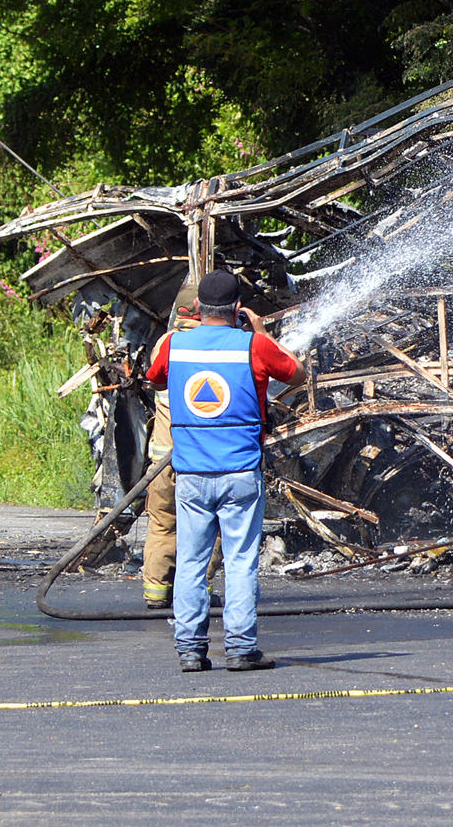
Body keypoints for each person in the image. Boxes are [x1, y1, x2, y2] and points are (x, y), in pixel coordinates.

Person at [145, 270, 305, 672]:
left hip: (192, 474)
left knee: (192, 562)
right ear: (238, 308)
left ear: (197, 308)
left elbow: (155, 377)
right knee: (239, 562)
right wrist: (262, 332)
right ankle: (239, 647)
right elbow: (298, 375)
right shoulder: (254, 346)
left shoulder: (175, 346)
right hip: (240, 472)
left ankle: (190, 650)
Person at [142, 279, 221, 607]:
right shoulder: (217, 343)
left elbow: (154, 378)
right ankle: (198, 591)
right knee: (209, 523)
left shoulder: (165, 343)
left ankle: (156, 593)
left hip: (163, 456)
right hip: (201, 456)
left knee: (162, 523)